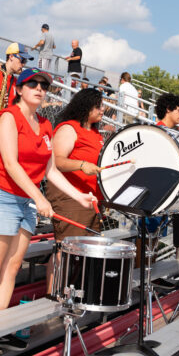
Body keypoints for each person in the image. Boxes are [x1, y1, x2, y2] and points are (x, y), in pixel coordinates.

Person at [0, 68, 96, 355]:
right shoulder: (8, 117)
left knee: (12, 266)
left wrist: (78, 196)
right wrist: (39, 198)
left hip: (23, 198)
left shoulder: (44, 124)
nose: (39, 88)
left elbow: (50, 168)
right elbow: (11, 164)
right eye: (33, 84)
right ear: (19, 88)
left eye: (44, 85)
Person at [50, 87, 105, 246]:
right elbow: (56, 161)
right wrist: (81, 165)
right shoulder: (69, 128)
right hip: (71, 199)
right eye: (98, 106)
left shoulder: (96, 133)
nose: (102, 110)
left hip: (92, 200)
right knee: (66, 249)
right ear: (86, 106)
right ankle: (59, 272)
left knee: (85, 253)